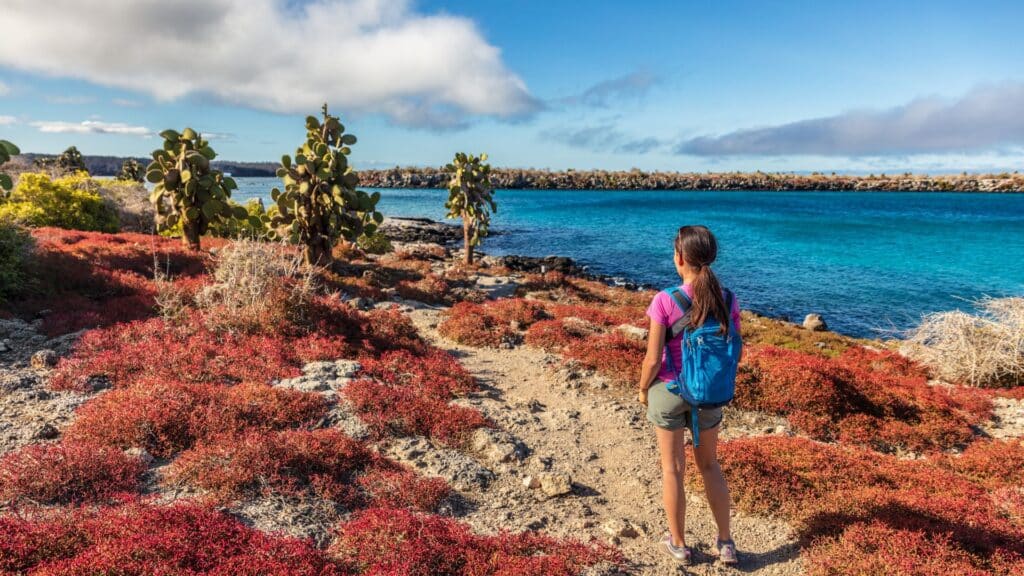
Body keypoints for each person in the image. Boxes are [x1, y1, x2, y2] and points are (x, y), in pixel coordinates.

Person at [637, 225, 741, 566]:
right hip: (709, 394)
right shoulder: (727, 299)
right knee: (710, 466)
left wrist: (641, 389)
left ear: (680, 258)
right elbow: (734, 350)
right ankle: (726, 543)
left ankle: (679, 545)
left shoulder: (666, 300)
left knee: (672, 469)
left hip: (668, 391)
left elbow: (653, 359)